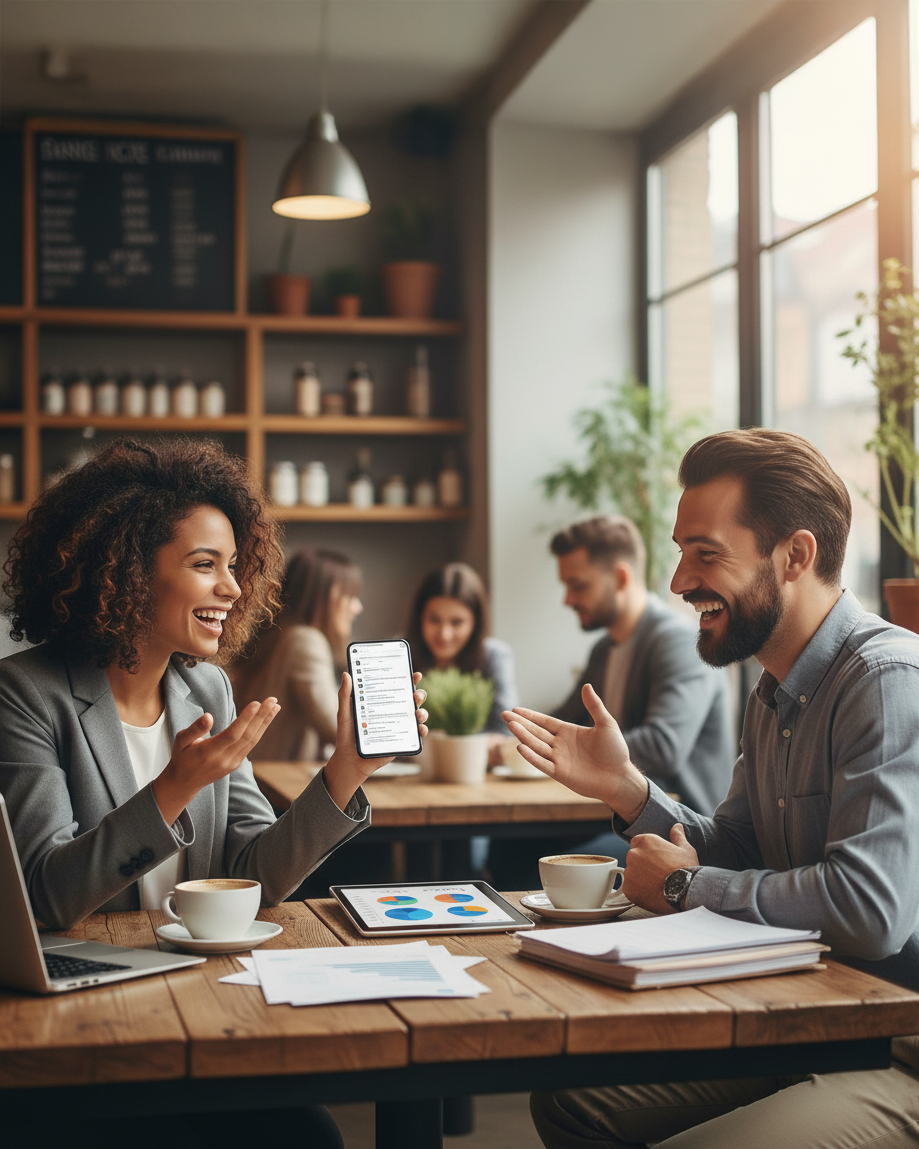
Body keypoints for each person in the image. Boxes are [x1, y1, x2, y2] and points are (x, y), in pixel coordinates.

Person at [0, 438, 426, 1149]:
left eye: (233, 564)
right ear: (129, 573)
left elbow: (253, 877)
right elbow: (47, 894)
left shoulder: (208, 687)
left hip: (198, 995)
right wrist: (173, 787)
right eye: (205, 565)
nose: (232, 587)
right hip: (76, 1023)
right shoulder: (26, 695)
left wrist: (347, 769)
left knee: (309, 1138)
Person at [507, 429, 919, 1149]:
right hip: (809, 1015)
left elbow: (868, 910)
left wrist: (685, 887)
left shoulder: (885, 681)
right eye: (678, 551)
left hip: (899, 1043)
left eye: (705, 553)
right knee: (574, 1103)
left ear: (794, 556)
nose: (675, 582)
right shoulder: (771, 690)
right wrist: (630, 790)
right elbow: (736, 843)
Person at [550, 514, 734, 817]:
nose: (567, 600)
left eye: (577, 586)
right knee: (513, 850)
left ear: (621, 578)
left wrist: (580, 747)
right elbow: (564, 718)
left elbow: (663, 747)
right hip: (620, 813)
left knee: (528, 855)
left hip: (683, 825)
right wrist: (510, 738)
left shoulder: (679, 641)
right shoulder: (605, 648)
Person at [231, 547, 363, 762]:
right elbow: (337, 727)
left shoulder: (280, 635)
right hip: (277, 782)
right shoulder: (306, 641)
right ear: (328, 596)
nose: (357, 607)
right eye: (350, 596)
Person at [406, 561, 519, 752]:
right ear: (420, 618)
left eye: (457, 622)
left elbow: (506, 730)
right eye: (434, 620)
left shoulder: (495, 656)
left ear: (475, 622)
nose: (444, 634)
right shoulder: (402, 653)